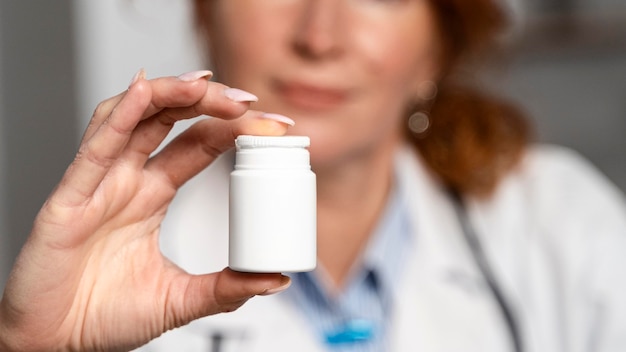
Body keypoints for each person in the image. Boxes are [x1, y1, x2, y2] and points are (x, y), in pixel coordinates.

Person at [1, 0, 625, 351]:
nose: (320, 36)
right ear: (204, 15)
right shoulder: (98, 276)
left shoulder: (565, 227)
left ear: (437, 44)